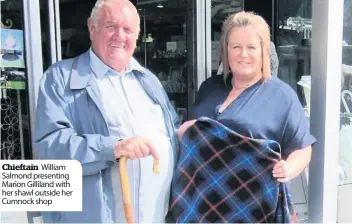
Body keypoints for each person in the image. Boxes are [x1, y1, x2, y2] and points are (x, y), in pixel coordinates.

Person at [34, 0, 179, 223]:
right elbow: (51, 145)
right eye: (111, 26)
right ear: (92, 29)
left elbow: (172, 132)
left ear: (137, 36)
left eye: (128, 30)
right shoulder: (60, 78)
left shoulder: (148, 80)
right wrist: (112, 147)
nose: (120, 36)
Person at [180, 11, 316, 184]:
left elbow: (302, 149)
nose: (243, 54)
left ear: (263, 52)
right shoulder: (209, 88)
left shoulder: (282, 96)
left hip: (253, 202)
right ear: (226, 50)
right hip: (204, 197)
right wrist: (183, 133)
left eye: (251, 47)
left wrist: (288, 168)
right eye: (236, 47)